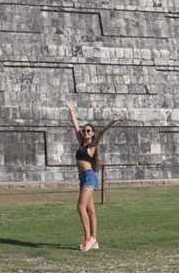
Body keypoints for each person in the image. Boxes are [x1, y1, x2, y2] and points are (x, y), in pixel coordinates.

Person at [64, 100, 122, 252]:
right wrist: (71, 110)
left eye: (88, 131)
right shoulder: (81, 143)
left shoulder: (92, 146)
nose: (85, 133)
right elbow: (75, 125)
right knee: (90, 210)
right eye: (84, 131)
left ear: (92, 133)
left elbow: (102, 132)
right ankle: (94, 241)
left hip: (89, 177)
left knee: (80, 207)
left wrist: (112, 122)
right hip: (83, 177)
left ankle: (88, 239)